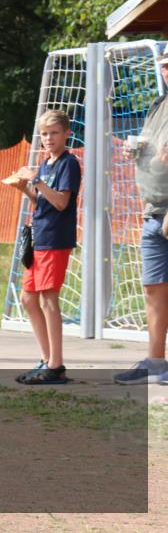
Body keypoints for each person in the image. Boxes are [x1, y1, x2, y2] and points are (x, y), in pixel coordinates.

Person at [9, 109, 80, 385]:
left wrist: (36, 181)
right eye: (44, 134)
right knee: (28, 298)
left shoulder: (67, 164)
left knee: (49, 298)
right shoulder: (46, 164)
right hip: (40, 238)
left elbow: (62, 203)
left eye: (54, 133)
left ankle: (56, 364)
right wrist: (25, 189)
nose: (48, 139)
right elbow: (43, 204)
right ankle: (47, 358)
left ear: (66, 134)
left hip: (56, 240)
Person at [115, 53, 168, 385]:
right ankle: (156, 361)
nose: (167, 69)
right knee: (153, 288)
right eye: (165, 64)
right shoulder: (157, 105)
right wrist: (136, 150)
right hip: (152, 212)